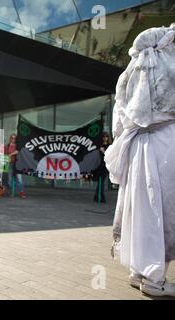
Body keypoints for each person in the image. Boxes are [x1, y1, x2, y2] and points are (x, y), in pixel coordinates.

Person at [105, 24, 175, 297]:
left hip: (138, 146)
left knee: (139, 211)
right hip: (164, 144)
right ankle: (155, 279)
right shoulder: (166, 66)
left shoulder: (130, 71)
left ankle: (139, 271)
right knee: (162, 211)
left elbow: (120, 119)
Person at [5, 134, 26, 199]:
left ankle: (22, 192)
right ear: (10, 138)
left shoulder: (18, 145)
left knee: (19, 179)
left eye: (14, 138)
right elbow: (5, 154)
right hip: (10, 164)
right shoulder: (7, 146)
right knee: (9, 179)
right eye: (12, 138)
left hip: (18, 164)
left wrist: (10, 154)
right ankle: (11, 191)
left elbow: (18, 151)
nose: (13, 139)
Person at [93, 132, 111, 203]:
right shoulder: (99, 145)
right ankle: (97, 197)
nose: (105, 138)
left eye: (106, 136)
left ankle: (100, 197)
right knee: (100, 182)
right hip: (98, 166)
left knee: (101, 182)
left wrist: (103, 151)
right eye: (103, 136)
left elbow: (110, 155)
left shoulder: (109, 146)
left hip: (105, 166)